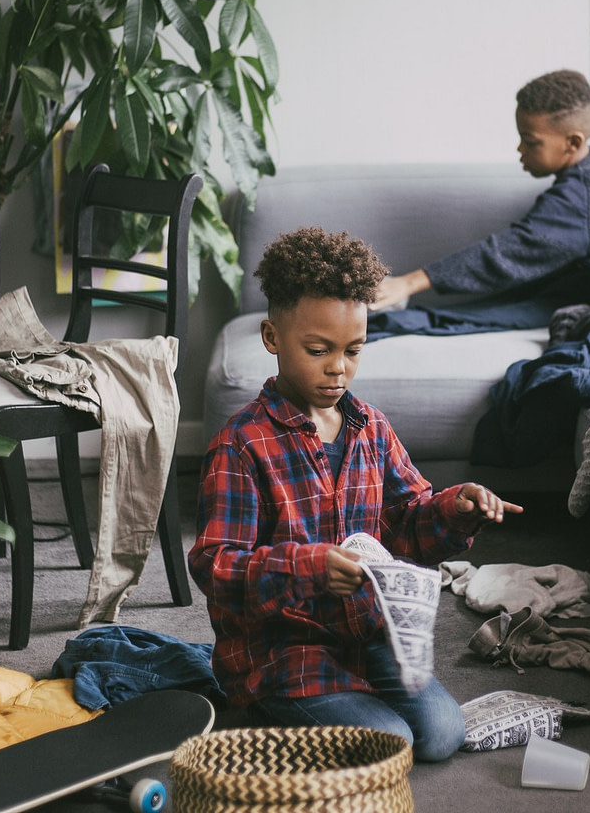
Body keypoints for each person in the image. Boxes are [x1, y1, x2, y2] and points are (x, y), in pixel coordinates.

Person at [191, 227, 522, 761]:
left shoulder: (372, 429)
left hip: (367, 635)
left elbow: (407, 523)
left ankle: (347, 701)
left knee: (442, 735)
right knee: (392, 744)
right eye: (318, 350)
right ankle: (273, 705)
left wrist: (455, 509)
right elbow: (215, 565)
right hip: (285, 649)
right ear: (272, 337)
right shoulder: (242, 444)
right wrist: (311, 566)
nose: (337, 367)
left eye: (353, 350)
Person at [373, 69, 590, 339]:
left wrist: (409, 282)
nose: (520, 150)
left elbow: (503, 253)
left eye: (530, 142)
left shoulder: (575, 200)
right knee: (532, 304)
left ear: (573, 142)